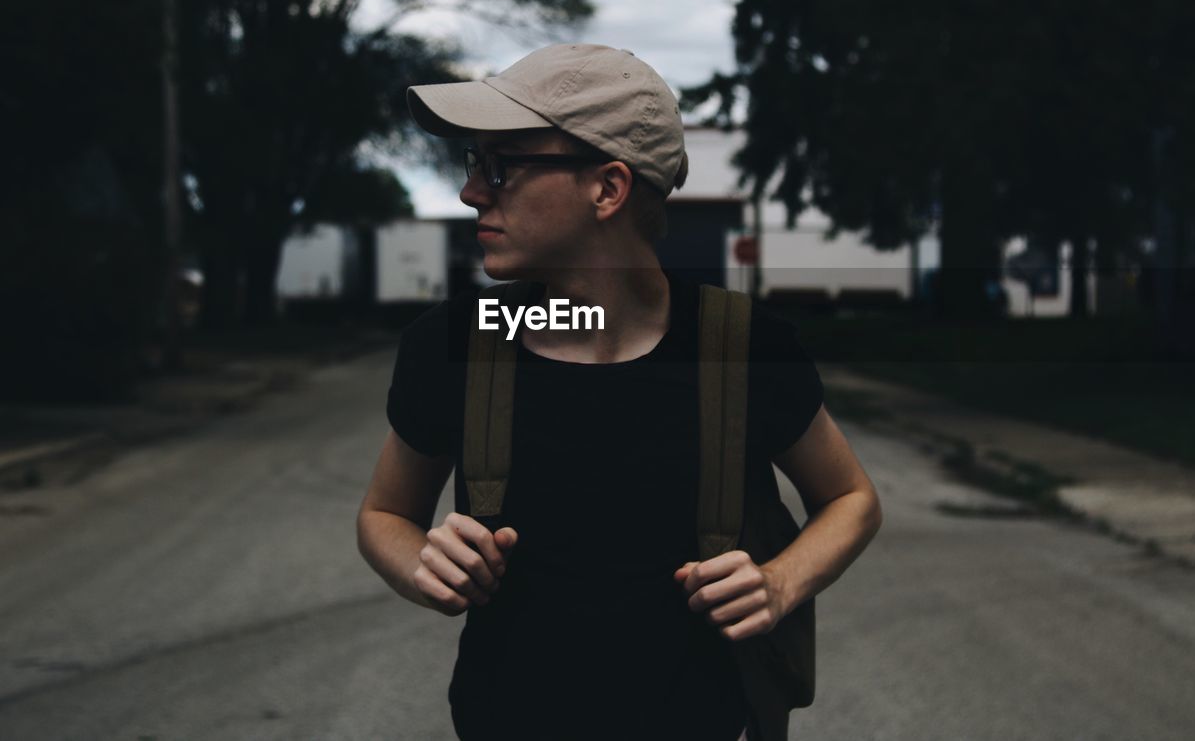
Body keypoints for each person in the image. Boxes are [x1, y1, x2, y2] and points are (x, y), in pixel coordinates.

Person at [356, 43, 883, 740]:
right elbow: (384, 515)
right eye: (474, 164)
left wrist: (780, 582)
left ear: (607, 189)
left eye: (502, 166)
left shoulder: (737, 345)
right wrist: (422, 560)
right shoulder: (463, 341)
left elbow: (852, 499)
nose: (471, 191)